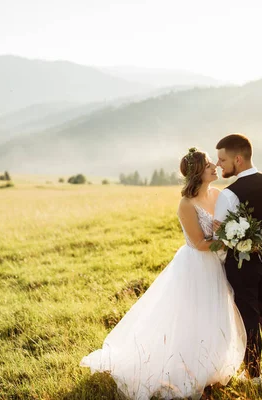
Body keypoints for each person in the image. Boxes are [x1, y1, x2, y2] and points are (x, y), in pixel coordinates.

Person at [80, 148, 246, 399]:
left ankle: (211, 367)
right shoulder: (186, 204)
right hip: (196, 266)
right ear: (198, 173)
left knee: (215, 313)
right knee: (192, 318)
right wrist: (227, 239)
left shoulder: (219, 195)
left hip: (216, 265)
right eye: (209, 164)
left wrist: (232, 234)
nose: (215, 167)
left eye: (214, 163)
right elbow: (199, 243)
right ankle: (187, 372)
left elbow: (226, 225)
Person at [214, 134, 262, 384]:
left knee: (248, 317)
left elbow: (220, 237)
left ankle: (253, 374)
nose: (219, 165)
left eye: (222, 160)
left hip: (241, 264)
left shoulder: (229, 194)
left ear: (238, 159)